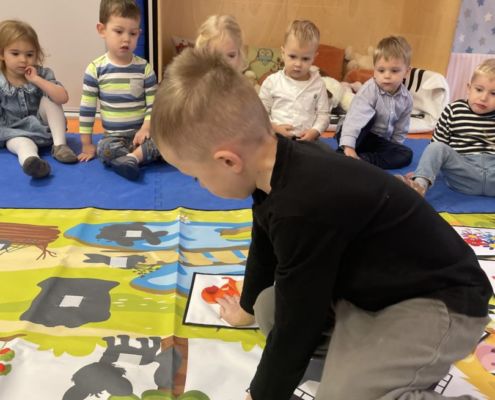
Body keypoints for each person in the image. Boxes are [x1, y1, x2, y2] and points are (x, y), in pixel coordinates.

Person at [150, 48, 491, 400]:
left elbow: (299, 325)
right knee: (269, 308)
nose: (200, 185)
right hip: (373, 295)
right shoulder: (276, 164)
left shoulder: (302, 205)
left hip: (442, 302)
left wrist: (262, 394)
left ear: (228, 161)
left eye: (196, 176)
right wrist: (247, 308)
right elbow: (265, 243)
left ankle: (377, 368)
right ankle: (368, 354)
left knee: (338, 394)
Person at [78, 0, 160, 180]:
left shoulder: (144, 68)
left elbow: (153, 105)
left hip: (142, 135)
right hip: (114, 139)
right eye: (119, 31)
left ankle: (131, 159)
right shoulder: (95, 69)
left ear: (139, 33)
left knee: (165, 142)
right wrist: (86, 144)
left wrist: (146, 128)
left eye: (133, 33)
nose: (126, 39)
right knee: (104, 149)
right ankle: (135, 158)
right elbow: (87, 109)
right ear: (102, 30)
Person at [397, 58, 495, 197]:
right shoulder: (453, 110)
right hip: (464, 174)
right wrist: (424, 172)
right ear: (469, 88)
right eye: (479, 90)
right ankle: (419, 186)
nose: (483, 98)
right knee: (436, 147)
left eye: (493, 94)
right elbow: (437, 147)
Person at [0, 19, 77, 179]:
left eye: (29, 54)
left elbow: (62, 98)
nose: (23, 59)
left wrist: (37, 80)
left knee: (50, 98)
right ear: (2, 54)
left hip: (44, 129)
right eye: (15, 54)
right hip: (14, 132)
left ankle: (60, 146)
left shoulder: (42, 74)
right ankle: (32, 162)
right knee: (22, 145)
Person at [337, 36, 413, 169]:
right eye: (381, 70)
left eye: (394, 71)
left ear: (406, 72)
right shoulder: (369, 90)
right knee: (370, 116)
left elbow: (400, 129)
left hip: (377, 141)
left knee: (406, 154)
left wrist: (392, 148)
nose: (387, 76)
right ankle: (345, 154)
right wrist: (348, 147)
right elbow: (354, 120)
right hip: (354, 134)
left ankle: (363, 160)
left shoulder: (406, 99)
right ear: (374, 70)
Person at [258, 20, 330, 142]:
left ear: (314, 58)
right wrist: (274, 128)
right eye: (292, 56)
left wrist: (315, 131)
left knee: (329, 153)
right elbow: (259, 114)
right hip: (275, 139)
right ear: (283, 53)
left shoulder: (318, 84)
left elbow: (324, 115)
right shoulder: (272, 82)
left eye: (305, 59)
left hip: (306, 142)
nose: (298, 64)